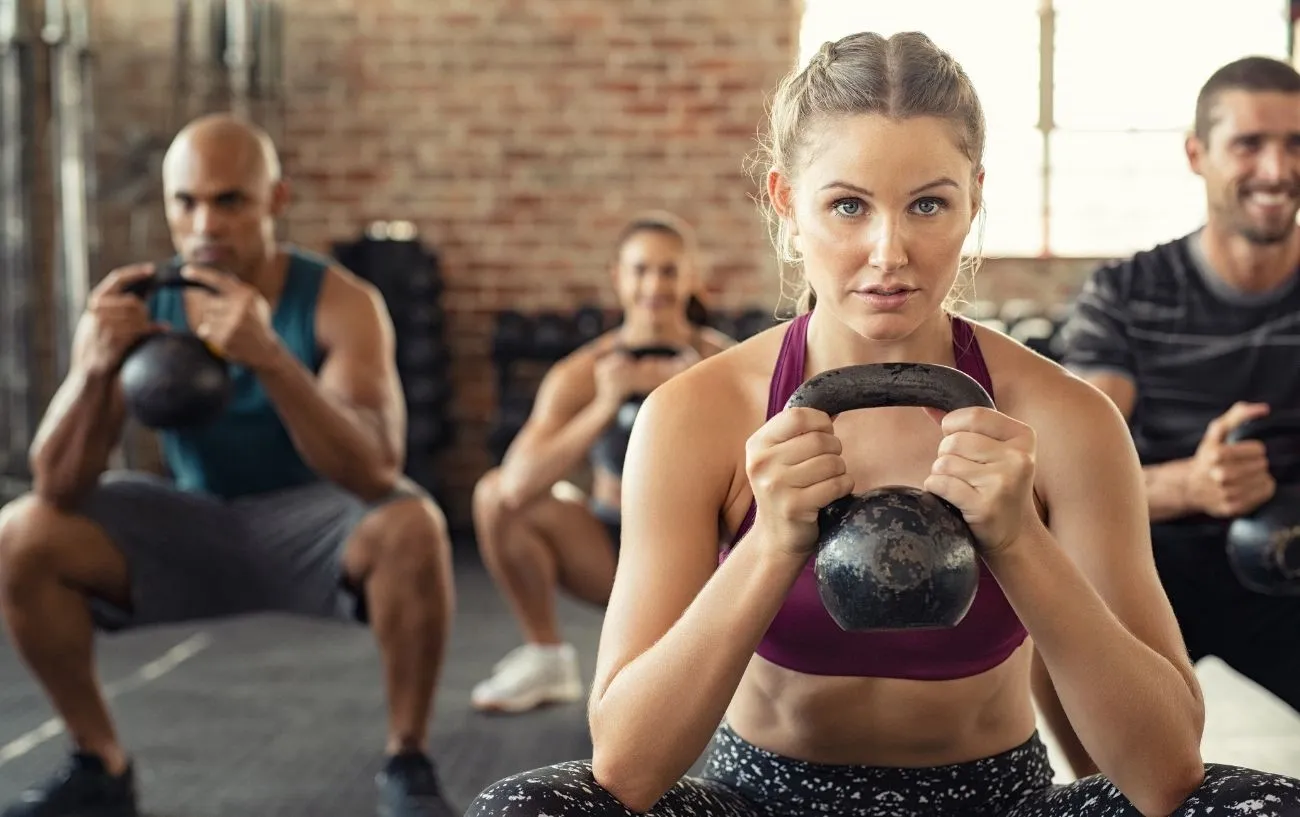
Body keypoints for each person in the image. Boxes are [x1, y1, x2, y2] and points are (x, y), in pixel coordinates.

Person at [464, 32, 1300, 817]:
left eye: (929, 204)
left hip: (995, 798)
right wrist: (768, 541)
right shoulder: (696, 414)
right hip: (758, 799)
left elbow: (1163, 777)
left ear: (975, 197)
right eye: (849, 205)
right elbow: (628, 766)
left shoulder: (1065, 419)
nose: (889, 251)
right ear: (788, 204)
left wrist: (1019, 541)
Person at [0, 113, 458, 817]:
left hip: (314, 522)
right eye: (186, 202)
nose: (205, 223)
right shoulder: (138, 306)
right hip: (191, 521)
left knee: (415, 522)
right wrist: (95, 370)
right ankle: (100, 764)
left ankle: (407, 759)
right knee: (22, 531)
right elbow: (58, 484)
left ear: (276, 200)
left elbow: (375, 470)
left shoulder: (342, 302)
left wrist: (272, 357)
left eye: (229, 200)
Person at [1037, 55, 1300, 779]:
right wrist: (1192, 484)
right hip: (1148, 566)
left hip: (1287, 564)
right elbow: (1063, 481)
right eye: (1250, 144)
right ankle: (1108, 791)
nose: (1277, 169)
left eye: (1296, 144)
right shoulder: (1126, 293)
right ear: (1199, 154)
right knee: (1046, 583)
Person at [471, 214, 733, 714]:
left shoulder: (724, 364)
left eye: (667, 271)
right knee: (491, 494)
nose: (653, 285)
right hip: (610, 548)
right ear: (617, 276)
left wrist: (694, 397)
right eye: (640, 271)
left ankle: (747, 664)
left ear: (691, 277)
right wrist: (604, 404)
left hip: (702, 554)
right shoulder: (581, 373)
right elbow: (515, 486)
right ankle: (546, 657)